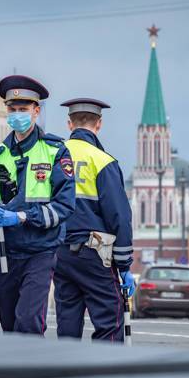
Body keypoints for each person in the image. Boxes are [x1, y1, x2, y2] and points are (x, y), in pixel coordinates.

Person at [0, 75, 75, 335]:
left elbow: (64, 206)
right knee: (9, 326)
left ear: (36, 111)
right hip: (4, 253)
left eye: (23, 110)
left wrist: (24, 217)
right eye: (12, 109)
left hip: (40, 251)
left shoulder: (55, 152)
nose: (17, 115)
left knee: (28, 322)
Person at [54, 98, 134, 342]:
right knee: (109, 321)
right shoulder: (103, 161)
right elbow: (118, 215)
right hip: (95, 252)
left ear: (70, 124)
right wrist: (124, 265)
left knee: (67, 322)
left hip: (60, 252)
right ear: (98, 124)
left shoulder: (53, 158)